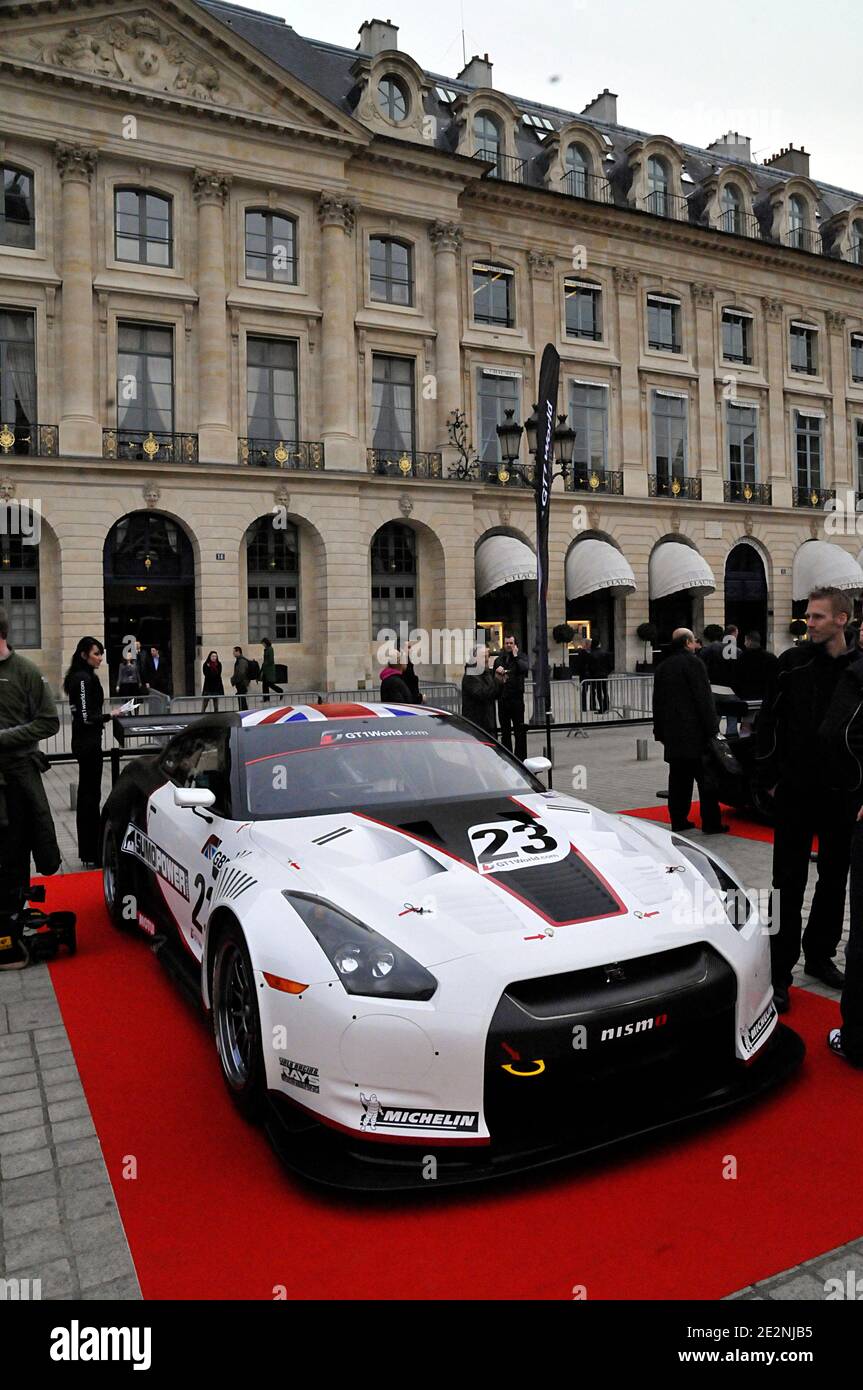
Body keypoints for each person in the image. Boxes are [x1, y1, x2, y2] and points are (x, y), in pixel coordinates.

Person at [755, 586, 860, 1014]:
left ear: (842, 619)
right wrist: (769, 778)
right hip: (796, 793)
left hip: (842, 796)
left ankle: (819, 957)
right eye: (807, 617)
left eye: (817, 617)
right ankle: (779, 974)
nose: (809, 624)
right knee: (786, 885)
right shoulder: (791, 665)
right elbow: (766, 723)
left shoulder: (859, 670)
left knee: (835, 882)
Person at [0, 605, 62, 893]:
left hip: (17, 775)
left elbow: (49, 722)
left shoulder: (25, 671)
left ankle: (13, 912)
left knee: (16, 844)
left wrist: (7, 737)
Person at [652, 627, 728, 835]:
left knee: (678, 780)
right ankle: (711, 822)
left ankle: (678, 820)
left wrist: (659, 731)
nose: (696, 645)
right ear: (687, 643)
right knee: (707, 781)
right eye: (694, 641)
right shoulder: (694, 664)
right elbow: (704, 699)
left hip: (673, 735)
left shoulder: (664, 666)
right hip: (696, 734)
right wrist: (712, 730)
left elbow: (657, 702)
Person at [63, 636, 119, 868]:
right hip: (87, 744)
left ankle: (91, 850)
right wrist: (110, 715)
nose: (100, 658)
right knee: (89, 796)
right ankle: (91, 851)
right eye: (96, 653)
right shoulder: (83, 679)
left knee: (90, 795)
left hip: (87, 741)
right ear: (85, 654)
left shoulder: (82, 677)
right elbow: (85, 716)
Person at [493, 633, 529, 760]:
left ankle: (521, 759)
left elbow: (525, 669)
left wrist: (516, 656)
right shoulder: (499, 659)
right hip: (503, 700)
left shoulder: (521, 657)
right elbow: (495, 679)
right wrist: (498, 674)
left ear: (515, 645)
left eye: (511, 643)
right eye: (506, 643)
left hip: (516, 699)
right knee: (505, 732)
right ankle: (507, 758)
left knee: (519, 731)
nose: (508, 645)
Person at [461, 645, 498, 736]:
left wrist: (500, 683)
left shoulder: (486, 672)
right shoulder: (471, 675)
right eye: (483, 656)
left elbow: (494, 694)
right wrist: (497, 681)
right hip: (476, 725)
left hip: (488, 723)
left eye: (487, 656)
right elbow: (483, 694)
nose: (486, 659)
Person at [589, 637, 612, 714]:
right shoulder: (605, 653)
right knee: (605, 691)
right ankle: (606, 707)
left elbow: (590, 667)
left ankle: (602, 708)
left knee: (599, 692)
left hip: (596, 675)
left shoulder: (592, 654)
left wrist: (593, 674)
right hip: (604, 675)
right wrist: (607, 672)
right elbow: (610, 665)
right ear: (599, 644)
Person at [260, 638, 283, 703]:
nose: (263, 645)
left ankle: (280, 691)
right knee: (264, 685)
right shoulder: (266, 649)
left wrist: (265, 664)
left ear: (266, 643)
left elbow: (271, 660)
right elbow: (265, 660)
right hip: (265, 669)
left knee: (269, 684)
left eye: (263, 643)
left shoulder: (270, 649)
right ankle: (266, 699)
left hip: (269, 670)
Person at [231, 645, 251, 711]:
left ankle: (244, 711)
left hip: (242, 683)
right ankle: (243, 710)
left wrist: (235, 680)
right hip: (241, 682)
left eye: (234, 652)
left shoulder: (242, 661)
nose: (233, 653)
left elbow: (241, 673)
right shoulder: (239, 660)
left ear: (238, 652)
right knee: (241, 699)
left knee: (242, 699)